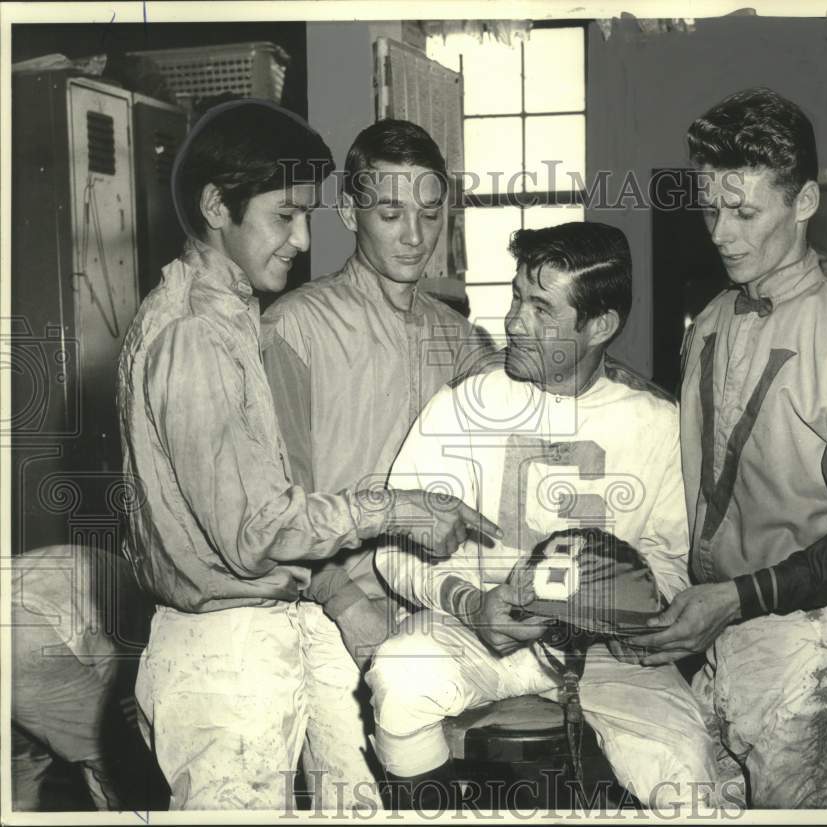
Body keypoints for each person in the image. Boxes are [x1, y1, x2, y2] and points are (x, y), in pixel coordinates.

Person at [116, 100, 498, 811]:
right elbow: (260, 529)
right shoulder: (230, 332)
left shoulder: (225, 316)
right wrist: (383, 537)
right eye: (285, 216)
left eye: (431, 211)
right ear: (216, 207)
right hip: (243, 638)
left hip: (325, 628)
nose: (299, 236)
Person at [627, 87, 827, 807]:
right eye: (710, 209)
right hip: (719, 645)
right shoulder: (708, 322)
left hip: (811, 651)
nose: (721, 233)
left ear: (802, 204)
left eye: (744, 212)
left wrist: (737, 596)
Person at [367, 222, 718, 810]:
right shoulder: (460, 405)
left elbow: (673, 560)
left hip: (609, 652)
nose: (512, 322)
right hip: (478, 628)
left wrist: (625, 610)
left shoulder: (657, 419)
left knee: (687, 772)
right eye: (514, 298)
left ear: (599, 325)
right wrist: (468, 603)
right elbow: (394, 546)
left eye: (540, 308)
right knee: (400, 679)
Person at [259, 119, 493, 803]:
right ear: (350, 211)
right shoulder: (295, 328)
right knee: (359, 802)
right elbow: (277, 501)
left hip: (440, 610)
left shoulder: (457, 338)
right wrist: (345, 601)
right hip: (333, 612)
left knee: (441, 797)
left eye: (429, 213)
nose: (415, 235)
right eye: (391, 213)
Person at [10, 545, 156, 811]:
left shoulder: (102, 563)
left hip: (23, 621)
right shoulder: (147, 595)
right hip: (32, 635)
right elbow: (108, 664)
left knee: (22, 764)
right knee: (110, 758)